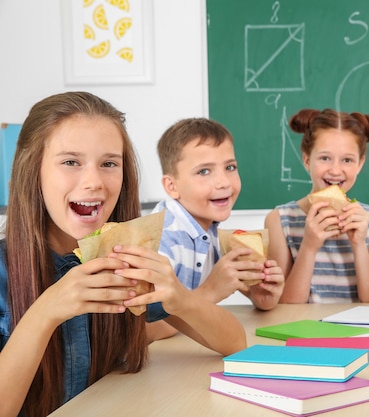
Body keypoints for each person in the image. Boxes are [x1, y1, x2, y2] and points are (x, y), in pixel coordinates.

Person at [0, 92, 246, 417]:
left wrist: (179, 297)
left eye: (109, 164)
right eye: (70, 162)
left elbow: (234, 342)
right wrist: (45, 312)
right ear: (33, 170)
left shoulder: (125, 258)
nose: (94, 181)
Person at [146, 118, 285, 341]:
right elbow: (144, 331)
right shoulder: (162, 240)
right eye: (204, 172)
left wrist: (259, 294)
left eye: (230, 167)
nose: (223, 182)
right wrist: (209, 293)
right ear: (172, 186)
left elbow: (242, 290)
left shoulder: (209, 229)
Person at [264, 108, 369, 304]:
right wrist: (309, 247)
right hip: (304, 330)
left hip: (357, 332)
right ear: (306, 160)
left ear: (360, 164)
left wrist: (358, 244)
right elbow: (284, 304)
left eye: (347, 160)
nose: (335, 170)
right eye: (324, 158)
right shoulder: (280, 220)